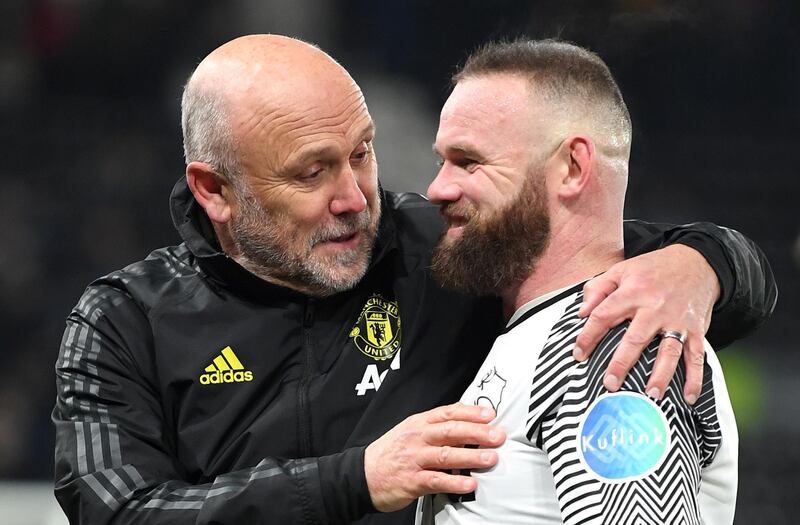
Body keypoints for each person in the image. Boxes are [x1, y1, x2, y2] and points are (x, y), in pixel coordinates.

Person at [53, 35, 775, 524]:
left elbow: (590, 246)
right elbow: (119, 511)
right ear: (215, 189)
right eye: (313, 171)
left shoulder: (447, 252)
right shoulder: (124, 321)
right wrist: (355, 478)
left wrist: (704, 265)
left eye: (361, 154)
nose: (355, 196)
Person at [418, 39, 741, 525]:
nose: (436, 188)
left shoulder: (613, 337)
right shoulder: (547, 329)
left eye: (468, 162)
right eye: (442, 161)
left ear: (572, 168)